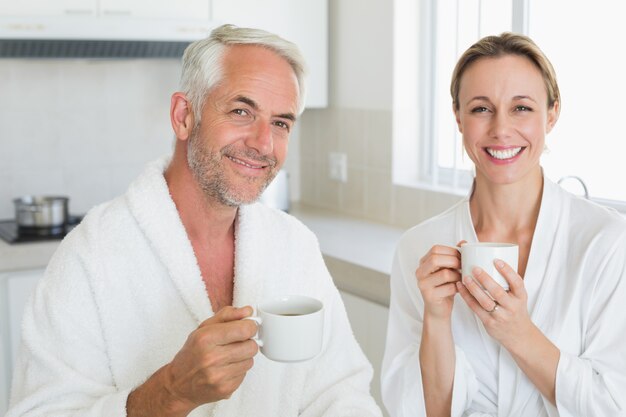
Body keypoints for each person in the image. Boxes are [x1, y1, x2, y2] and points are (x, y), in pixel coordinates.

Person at [6, 24, 382, 417]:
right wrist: (170, 393)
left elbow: (342, 392)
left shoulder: (294, 245)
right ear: (184, 115)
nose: (263, 144)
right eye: (241, 111)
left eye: (280, 123)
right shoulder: (92, 255)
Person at [381, 32, 626, 417]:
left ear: (552, 114)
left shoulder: (607, 244)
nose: (500, 129)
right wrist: (437, 319)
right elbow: (420, 411)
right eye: (480, 109)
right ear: (458, 118)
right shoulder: (419, 248)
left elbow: (613, 405)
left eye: (522, 108)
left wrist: (519, 334)